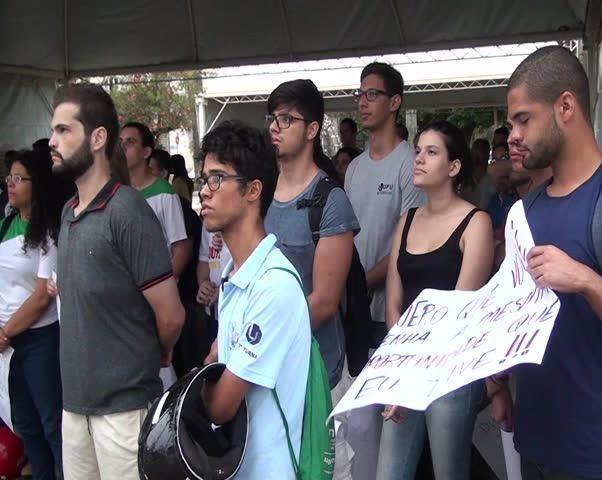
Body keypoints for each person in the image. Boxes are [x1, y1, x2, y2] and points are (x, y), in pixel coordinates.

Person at [48, 83, 185, 480]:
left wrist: (152, 357)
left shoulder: (128, 211)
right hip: (74, 407)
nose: (53, 141)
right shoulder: (68, 212)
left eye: (63, 130)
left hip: (124, 410)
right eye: (53, 130)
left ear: (97, 138)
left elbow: (172, 316)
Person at [490, 45, 602, 480]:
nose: (513, 134)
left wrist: (587, 281)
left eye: (523, 119)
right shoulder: (525, 211)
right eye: (510, 123)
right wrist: (494, 381)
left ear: (566, 106)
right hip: (534, 444)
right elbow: (510, 315)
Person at [376, 121, 494, 480]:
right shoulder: (406, 220)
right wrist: (401, 374)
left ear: (454, 167)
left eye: (431, 152)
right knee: (388, 474)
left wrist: (413, 374)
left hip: (451, 369)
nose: (419, 159)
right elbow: (393, 306)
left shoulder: (476, 223)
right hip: (407, 365)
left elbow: (461, 313)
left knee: (448, 473)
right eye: (417, 151)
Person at [199, 120, 311, 479]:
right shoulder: (235, 271)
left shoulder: (272, 284)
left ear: (253, 190)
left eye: (217, 179)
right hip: (238, 466)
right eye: (204, 180)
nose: (205, 191)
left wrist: (198, 384)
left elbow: (220, 407)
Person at [344, 61, 425, 479]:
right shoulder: (355, 168)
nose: (362, 100)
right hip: (355, 316)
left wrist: (355, 284)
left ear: (395, 102)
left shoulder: (410, 164)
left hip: (391, 317)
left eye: (372, 94)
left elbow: (405, 246)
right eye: (359, 93)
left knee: (394, 428)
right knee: (358, 433)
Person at [264, 79, 359, 390]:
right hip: (263, 372)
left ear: (312, 130)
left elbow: (324, 302)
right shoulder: (257, 193)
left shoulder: (331, 201)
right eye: (272, 118)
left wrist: (261, 341)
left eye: (286, 119)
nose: (275, 127)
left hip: (315, 375)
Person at [1, 150, 64, 480]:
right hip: (11, 344)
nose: (10, 184)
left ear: (36, 183)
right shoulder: (6, 223)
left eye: (19, 178)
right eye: (8, 177)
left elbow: (42, 296)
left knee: (51, 423)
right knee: (26, 425)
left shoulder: (49, 230)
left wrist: (5, 332)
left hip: (38, 338)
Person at [119, 122, 190, 281]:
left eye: (129, 142)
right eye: (120, 142)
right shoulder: (115, 192)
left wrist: (166, 288)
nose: (122, 147)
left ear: (146, 152)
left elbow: (180, 247)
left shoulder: (165, 193)